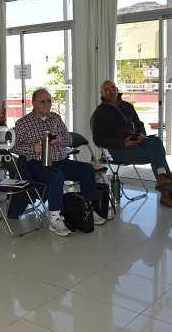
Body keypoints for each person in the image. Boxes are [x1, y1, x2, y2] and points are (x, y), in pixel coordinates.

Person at [10, 88, 106, 236]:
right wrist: (32, 148)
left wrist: (58, 140)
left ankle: (88, 209)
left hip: (60, 160)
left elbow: (69, 139)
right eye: (42, 102)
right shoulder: (23, 123)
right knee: (56, 175)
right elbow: (13, 147)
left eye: (49, 101)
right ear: (33, 103)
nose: (46, 105)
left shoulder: (55, 118)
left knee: (87, 169)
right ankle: (55, 218)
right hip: (37, 164)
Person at [91, 80, 172, 208]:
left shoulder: (127, 106)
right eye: (107, 90)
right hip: (120, 150)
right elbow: (98, 140)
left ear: (117, 89)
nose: (111, 91)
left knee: (155, 141)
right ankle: (166, 189)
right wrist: (123, 143)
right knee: (157, 153)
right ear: (102, 94)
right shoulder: (100, 113)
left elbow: (139, 124)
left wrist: (141, 135)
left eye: (113, 88)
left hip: (139, 144)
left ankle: (163, 180)